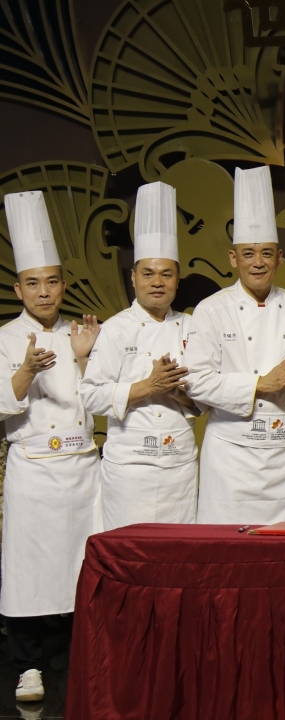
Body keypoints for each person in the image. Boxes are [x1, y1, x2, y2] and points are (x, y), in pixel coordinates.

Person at [0, 190, 101, 703]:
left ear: (64, 284)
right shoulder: (4, 337)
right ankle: (29, 665)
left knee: (81, 566)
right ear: (19, 289)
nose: (44, 292)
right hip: (34, 470)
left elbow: (99, 399)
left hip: (84, 469)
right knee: (30, 570)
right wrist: (24, 371)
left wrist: (83, 360)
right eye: (34, 284)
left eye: (52, 282)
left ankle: (80, 655)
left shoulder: (82, 331)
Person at [184, 166, 285, 523]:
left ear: (279, 256)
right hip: (232, 459)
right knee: (229, 560)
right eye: (248, 253)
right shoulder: (211, 309)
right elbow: (196, 380)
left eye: (266, 253)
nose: (258, 262)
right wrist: (261, 383)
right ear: (233, 258)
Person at [81, 182, 200, 529]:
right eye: (148, 273)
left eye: (166, 274)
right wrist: (148, 386)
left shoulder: (193, 327)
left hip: (179, 464)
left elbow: (206, 398)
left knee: (177, 558)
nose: (157, 282)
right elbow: (91, 396)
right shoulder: (116, 329)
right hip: (130, 468)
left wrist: (177, 391)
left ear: (178, 279)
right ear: (133, 278)